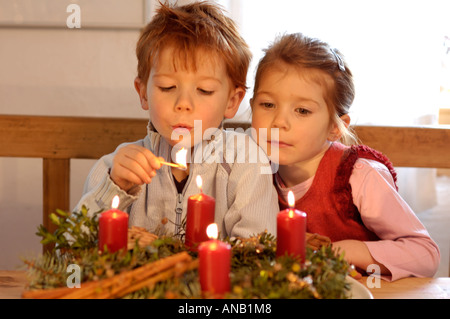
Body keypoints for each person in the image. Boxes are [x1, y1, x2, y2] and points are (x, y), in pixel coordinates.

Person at [75, 2, 278, 240]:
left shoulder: (246, 164)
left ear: (232, 101)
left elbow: (258, 253)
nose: (183, 103)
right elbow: (68, 255)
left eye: (204, 90)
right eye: (167, 87)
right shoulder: (115, 170)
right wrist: (114, 187)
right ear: (143, 93)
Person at [250, 32, 440, 281]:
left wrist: (342, 250)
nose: (279, 122)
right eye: (268, 105)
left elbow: (426, 254)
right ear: (252, 106)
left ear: (335, 127)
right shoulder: (250, 171)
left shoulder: (359, 177)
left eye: (302, 110)